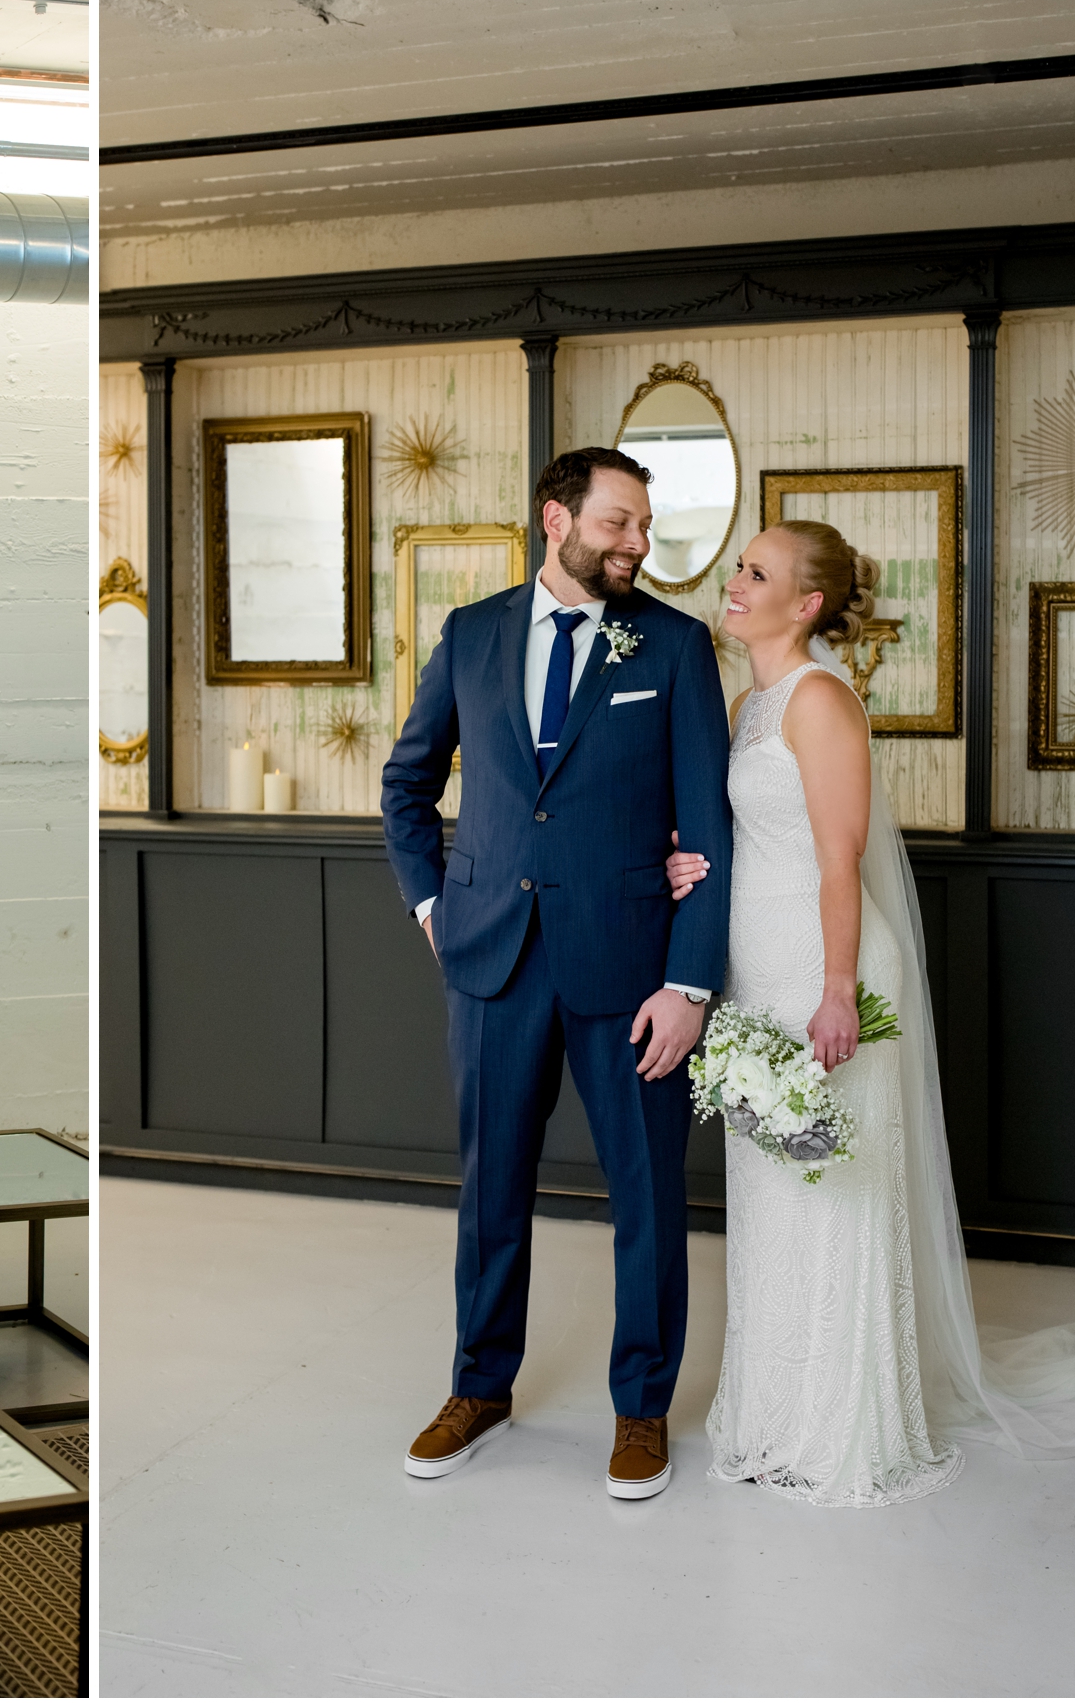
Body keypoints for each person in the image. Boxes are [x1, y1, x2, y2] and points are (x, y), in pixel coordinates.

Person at [663, 520, 1075, 1502]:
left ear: (805, 604)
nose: (735, 582)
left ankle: (846, 1429)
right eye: (740, 567)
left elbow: (838, 860)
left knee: (837, 1197)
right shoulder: (746, 704)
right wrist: (690, 859)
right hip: (760, 976)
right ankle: (775, 1414)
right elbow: (743, 839)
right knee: (775, 1198)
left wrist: (840, 990)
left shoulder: (818, 702)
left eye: (756, 572)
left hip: (827, 973)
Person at [380, 447, 732, 1500]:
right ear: (556, 519)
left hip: (631, 976)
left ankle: (642, 1409)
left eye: (644, 527)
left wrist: (690, 983)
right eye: (620, 524)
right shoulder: (471, 633)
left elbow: (708, 831)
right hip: (489, 960)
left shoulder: (672, 646)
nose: (638, 544)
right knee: (490, 1189)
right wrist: (436, 904)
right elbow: (407, 785)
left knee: (647, 1200)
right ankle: (479, 1387)